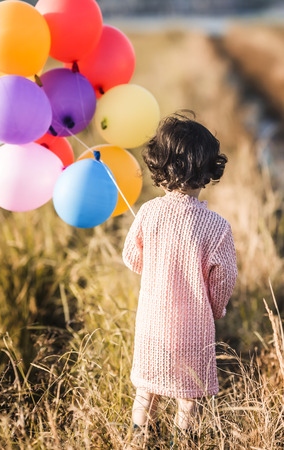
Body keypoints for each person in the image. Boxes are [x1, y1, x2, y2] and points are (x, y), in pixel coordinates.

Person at [122, 111, 238, 446]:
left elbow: (132, 257)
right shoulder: (217, 227)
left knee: (147, 391)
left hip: (151, 327)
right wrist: (215, 310)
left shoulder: (148, 212)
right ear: (208, 171)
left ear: (159, 166)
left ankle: (138, 439)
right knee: (189, 397)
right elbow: (223, 280)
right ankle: (183, 442)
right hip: (193, 329)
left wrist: (158, 265)